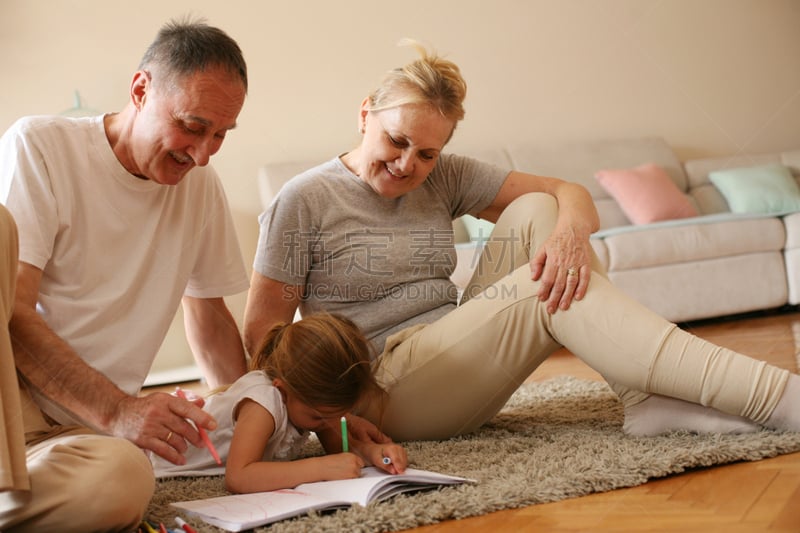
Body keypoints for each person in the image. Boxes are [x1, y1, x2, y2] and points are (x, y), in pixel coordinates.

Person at [243, 40, 800, 444]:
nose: (409, 164)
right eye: (396, 140)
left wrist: (571, 237)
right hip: (375, 394)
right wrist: (324, 428)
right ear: (366, 115)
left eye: (428, 153)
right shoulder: (304, 198)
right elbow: (264, 338)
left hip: (450, 361)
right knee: (540, 284)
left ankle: (643, 400)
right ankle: (777, 396)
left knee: (539, 210)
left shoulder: (444, 175)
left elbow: (568, 190)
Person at [0, 19, 250, 531]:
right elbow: (13, 315)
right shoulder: (41, 147)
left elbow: (208, 315)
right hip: (12, 407)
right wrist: (119, 411)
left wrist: (259, 416)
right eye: (194, 126)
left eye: (221, 134)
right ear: (140, 90)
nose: (202, 153)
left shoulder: (201, 187)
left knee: (122, 484)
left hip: (80, 437)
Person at [152, 313, 408, 493]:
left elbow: (340, 449)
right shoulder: (263, 403)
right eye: (319, 417)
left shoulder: (310, 402)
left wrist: (372, 453)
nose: (329, 424)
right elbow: (239, 477)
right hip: (154, 454)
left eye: (339, 415)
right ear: (283, 389)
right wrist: (319, 467)